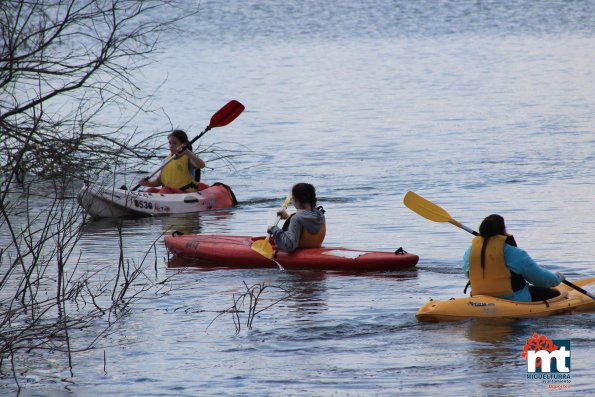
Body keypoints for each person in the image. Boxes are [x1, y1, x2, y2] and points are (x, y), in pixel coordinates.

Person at [463, 214, 565, 302]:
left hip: (480, 297)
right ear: (503, 230)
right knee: (556, 294)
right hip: (513, 298)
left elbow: (468, 274)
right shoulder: (514, 253)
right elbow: (541, 280)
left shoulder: (470, 251)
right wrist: (558, 278)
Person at [138, 130, 206, 193]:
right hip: (168, 194)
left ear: (183, 145)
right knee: (151, 190)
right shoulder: (166, 160)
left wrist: (187, 152)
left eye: (174, 143)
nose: (171, 146)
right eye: (170, 143)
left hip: (185, 194)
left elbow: (201, 165)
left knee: (165, 190)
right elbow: (159, 181)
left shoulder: (189, 158)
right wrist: (147, 183)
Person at [267, 183, 326, 253]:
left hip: (302, 255)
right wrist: (288, 218)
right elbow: (305, 222)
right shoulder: (320, 215)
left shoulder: (296, 219)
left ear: (295, 199)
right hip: (315, 251)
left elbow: (290, 246)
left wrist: (273, 229)